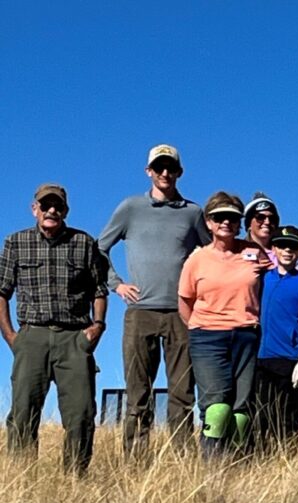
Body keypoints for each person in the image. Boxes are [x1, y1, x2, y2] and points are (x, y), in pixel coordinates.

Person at [98, 144, 210, 459]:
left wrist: (200, 294)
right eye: (158, 168)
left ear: (179, 172)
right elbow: (99, 249)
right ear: (148, 171)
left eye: (170, 168)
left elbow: (211, 253)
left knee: (182, 393)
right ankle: (136, 462)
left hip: (182, 314)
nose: (164, 173)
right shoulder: (131, 208)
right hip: (140, 312)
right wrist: (116, 284)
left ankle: (182, 461)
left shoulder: (192, 212)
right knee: (138, 394)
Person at [0, 184, 108, 474]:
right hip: (31, 335)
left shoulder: (84, 242)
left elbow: (99, 289)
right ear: (34, 208)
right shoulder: (15, 242)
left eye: (57, 206)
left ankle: (75, 479)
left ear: (65, 211)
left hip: (74, 337)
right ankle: (22, 479)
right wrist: (11, 336)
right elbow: (2, 291)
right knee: (23, 412)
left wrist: (97, 327)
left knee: (82, 413)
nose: (51, 211)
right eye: (45, 205)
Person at [178, 192, 273, 459]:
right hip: (208, 337)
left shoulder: (254, 253)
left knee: (240, 411)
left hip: (246, 335)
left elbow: (277, 276)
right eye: (219, 217)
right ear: (208, 222)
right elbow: (185, 300)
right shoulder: (197, 259)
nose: (226, 222)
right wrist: (199, 327)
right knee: (217, 407)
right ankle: (211, 467)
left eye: (232, 217)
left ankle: (237, 467)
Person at [252, 225, 298, 456]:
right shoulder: (263, 278)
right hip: (263, 358)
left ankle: (286, 462)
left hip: (292, 359)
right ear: (274, 249)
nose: (287, 250)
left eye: (293, 247)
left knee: (289, 419)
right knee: (262, 417)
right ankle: (262, 462)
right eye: (282, 245)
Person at [244, 192, 280, 266]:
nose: (267, 222)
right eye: (260, 217)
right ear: (249, 224)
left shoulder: (283, 254)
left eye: (272, 218)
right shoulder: (238, 251)